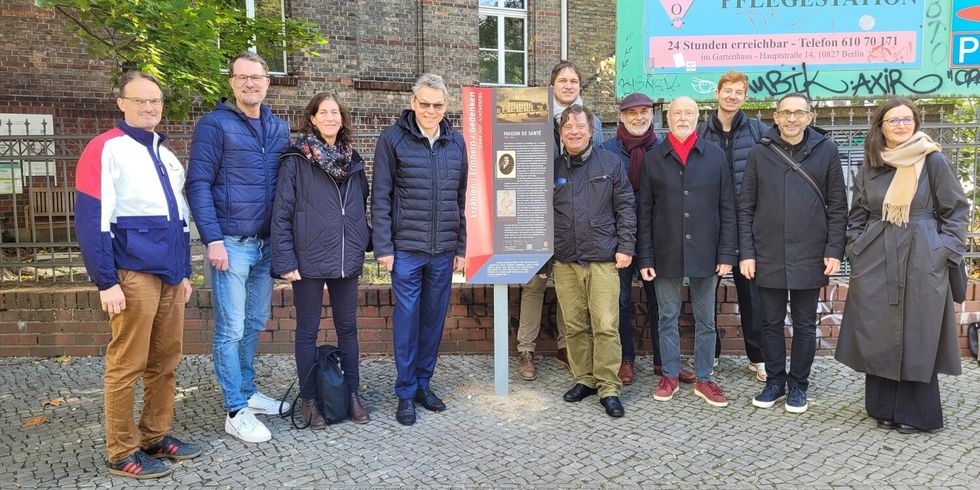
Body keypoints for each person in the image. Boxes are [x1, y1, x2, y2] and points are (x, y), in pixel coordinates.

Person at [75, 71, 200, 479]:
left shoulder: (165, 154)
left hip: (169, 276)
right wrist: (105, 280)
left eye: (156, 101)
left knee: (165, 360)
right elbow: (93, 219)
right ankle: (121, 451)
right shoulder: (104, 148)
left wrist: (183, 273)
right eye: (141, 100)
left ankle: (155, 435)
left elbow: (180, 221)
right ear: (122, 103)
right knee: (127, 364)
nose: (150, 107)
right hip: (131, 274)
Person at [836, 98, 967, 433]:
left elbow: (955, 210)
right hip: (876, 255)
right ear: (880, 126)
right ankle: (882, 407)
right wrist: (856, 249)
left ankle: (916, 414)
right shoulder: (871, 165)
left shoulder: (932, 159)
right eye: (892, 120)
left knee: (917, 331)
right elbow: (858, 214)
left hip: (922, 255)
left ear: (916, 123)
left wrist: (943, 249)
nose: (900, 125)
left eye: (907, 119)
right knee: (878, 329)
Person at [186, 52, 291, 443]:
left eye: (257, 77)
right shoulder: (214, 125)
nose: (250, 83)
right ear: (231, 82)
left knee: (255, 323)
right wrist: (212, 238)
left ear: (267, 82)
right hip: (229, 243)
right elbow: (198, 184)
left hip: (265, 246)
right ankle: (235, 409)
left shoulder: (278, 128)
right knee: (230, 328)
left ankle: (248, 391)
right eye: (242, 77)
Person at [738, 93, 847, 414]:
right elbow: (745, 207)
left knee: (803, 324)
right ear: (776, 116)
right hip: (767, 252)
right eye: (785, 113)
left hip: (811, 252)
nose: (792, 119)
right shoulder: (760, 152)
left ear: (810, 117)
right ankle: (774, 381)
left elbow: (838, 206)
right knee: (769, 323)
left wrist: (834, 249)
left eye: (799, 113)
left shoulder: (826, 151)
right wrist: (747, 252)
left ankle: (799, 385)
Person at [372, 73, 467, 426]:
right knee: (407, 321)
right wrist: (384, 246)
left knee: (432, 321)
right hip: (406, 251)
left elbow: (460, 198)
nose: (430, 110)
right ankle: (405, 391)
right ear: (413, 103)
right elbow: (380, 196)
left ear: (446, 106)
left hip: (442, 250)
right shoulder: (392, 140)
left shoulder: (455, 143)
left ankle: (424, 383)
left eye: (437, 105)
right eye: (424, 103)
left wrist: (461, 246)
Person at [271, 93, 371, 428]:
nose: (330, 117)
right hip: (307, 260)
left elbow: (360, 205)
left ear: (342, 118)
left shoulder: (353, 160)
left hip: (345, 258)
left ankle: (353, 395)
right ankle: (310, 401)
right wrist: (284, 258)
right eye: (323, 112)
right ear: (311, 118)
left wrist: (362, 242)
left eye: (335, 112)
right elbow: (282, 213)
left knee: (348, 329)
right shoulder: (296, 160)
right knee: (307, 331)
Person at [638, 96, 737, 408]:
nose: (683, 118)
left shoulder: (715, 156)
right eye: (677, 113)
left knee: (706, 318)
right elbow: (644, 211)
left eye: (689, 113)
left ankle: (705, 377)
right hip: (665, 251)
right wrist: (645, 256)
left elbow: (727, 208)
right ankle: (669, 373)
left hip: (706, 250)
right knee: (667, 316)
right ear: (668, 119)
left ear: (698, 117)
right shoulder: (654, 158)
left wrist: (726, 254)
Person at [516, 60, 602, 381]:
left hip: (572, 218)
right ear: (552, 84)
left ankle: (568, 347)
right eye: (563, 80)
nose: (568, 85)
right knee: (534, 285)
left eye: (574, 80)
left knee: (569, 287)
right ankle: (526, 350)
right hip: (537, 214)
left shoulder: (591, 121)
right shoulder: (534, 116)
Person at [553, 105, 635, 418]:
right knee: (574, 326)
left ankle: (609, 386)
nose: (574, 132)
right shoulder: (554, 167)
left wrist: (626, 246)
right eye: (568, 127)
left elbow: (626, 207)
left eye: (580, 127)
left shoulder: (611, 163)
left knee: (605, 325)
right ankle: (585, 379)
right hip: (566, 260)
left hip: (603, 259)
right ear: (561, 134)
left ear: (591, 131)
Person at [697, 71, 769, 381]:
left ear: (745, 97)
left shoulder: (757, 131)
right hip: (710, 225)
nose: (732, 96)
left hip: (748, 226)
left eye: (739, 92)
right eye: (728, 90)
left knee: (752, 295)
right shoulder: (700, 133)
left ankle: (758, 357)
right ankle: (709, 356)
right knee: (706, 293)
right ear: (717, 93)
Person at [598, 92, 661, 385]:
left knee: (660, 300)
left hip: (655, 239)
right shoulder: (607, 150)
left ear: (652, 115)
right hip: (618, 238)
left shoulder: (662, 149)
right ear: (622, 116)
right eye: (632, 112)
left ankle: (664, 360)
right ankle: (626, 359)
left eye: (644, 112)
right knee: (621, 301)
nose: (639, 117)